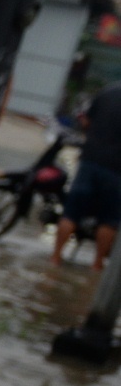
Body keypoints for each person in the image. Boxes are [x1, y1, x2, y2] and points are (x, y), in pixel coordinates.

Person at [54, 79, 121, 271]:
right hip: (116, 169)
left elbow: (85, 120)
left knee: (71, 212)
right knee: (109, 220)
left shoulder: (108, 90)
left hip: (90, 160)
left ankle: (55, 257)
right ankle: (97, 264)